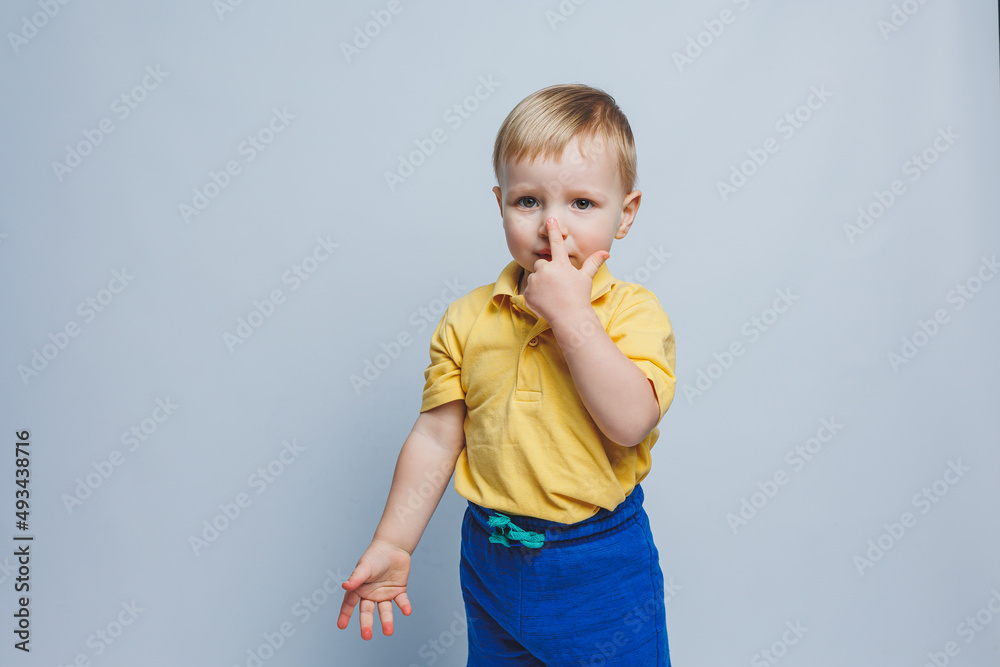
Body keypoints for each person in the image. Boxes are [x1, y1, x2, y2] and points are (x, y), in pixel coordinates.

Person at [338, 83, 676, 666]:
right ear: (500, 203)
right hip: (493, 558)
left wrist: (573, 317)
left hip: (598, 565)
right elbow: (437, 436)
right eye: (528, 202)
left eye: (582, 204)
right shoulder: (470, 319)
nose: (553, 227)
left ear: (627, 213)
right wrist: (395, 541)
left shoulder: (630, 312)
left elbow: (629, 422)